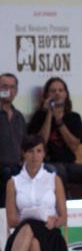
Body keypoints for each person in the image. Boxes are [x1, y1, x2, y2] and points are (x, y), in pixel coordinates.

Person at [0, 134, 68, 251]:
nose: (35, 156)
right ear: (23, 153)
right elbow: (12, 220)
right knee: (31, 238)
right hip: (24, 234)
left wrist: (55, 220)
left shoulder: (53, 179)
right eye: (30, 151)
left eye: (39, 151)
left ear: (44, 153)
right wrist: (28, 217)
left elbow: (63, 218)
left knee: (31, 230)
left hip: (50, 233)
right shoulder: (13, 182)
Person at [28, 77, 82, 199]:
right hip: (47, 165)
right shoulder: (39, 117)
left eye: (60, 90)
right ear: (47, 95)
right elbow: (40, 143)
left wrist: (59, 122)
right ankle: (65, 208)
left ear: (66, 94)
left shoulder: (74, 117)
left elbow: (74, 146)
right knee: (58, 171)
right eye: (53, 91)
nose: (57, 93)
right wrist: (49, 114)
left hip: (69, 164)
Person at [0, 73, 26, 207]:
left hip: (18, 167)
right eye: (4, 86)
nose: (8, 90)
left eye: (12, 87)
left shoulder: (19, 117)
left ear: (16, 91)